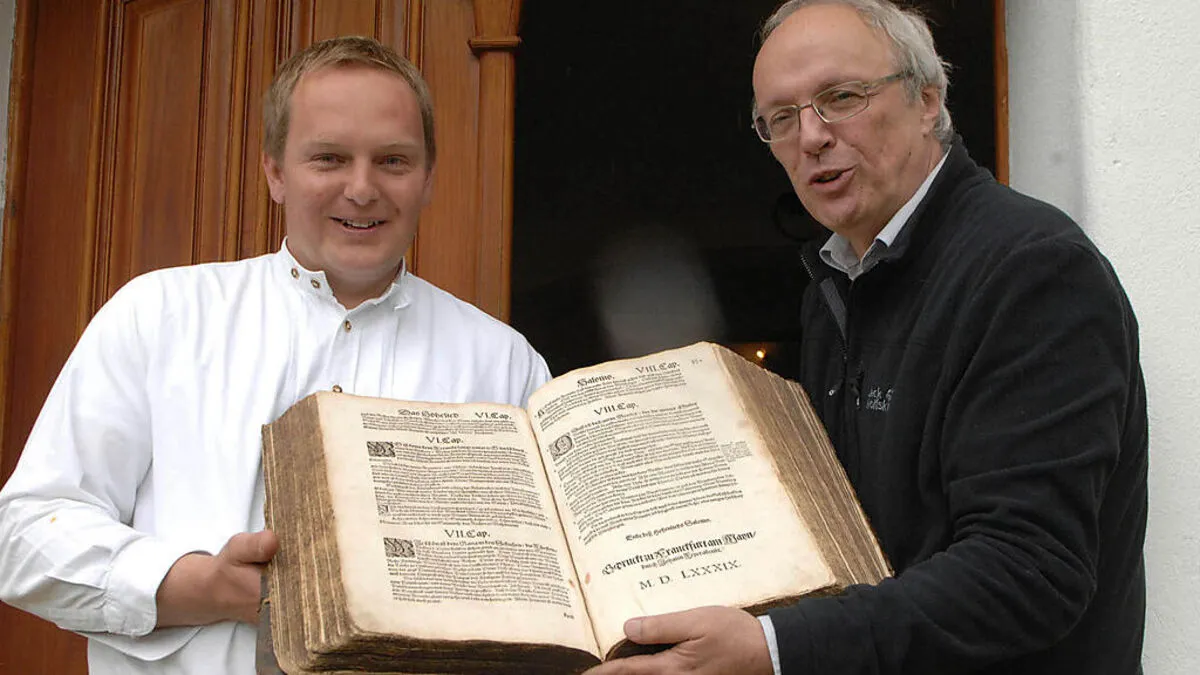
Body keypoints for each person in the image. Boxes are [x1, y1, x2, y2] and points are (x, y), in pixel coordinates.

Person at [586, 1, 1148, 674]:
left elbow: (1028, 570)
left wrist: (773, 648)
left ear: (926, 100)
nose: (812, 137)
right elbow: (849, 545)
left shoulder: (1032, 268)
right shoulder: (834, 284)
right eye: (782, 119)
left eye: (841, 98)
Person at [0, 36, 550, 674]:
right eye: (329, 158)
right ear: (275, 173)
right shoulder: (159, 316)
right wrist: (203, 587)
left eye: (394, 161)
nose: (362, 188)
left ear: (428, 178)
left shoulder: (505, 364)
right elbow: (25, 537)